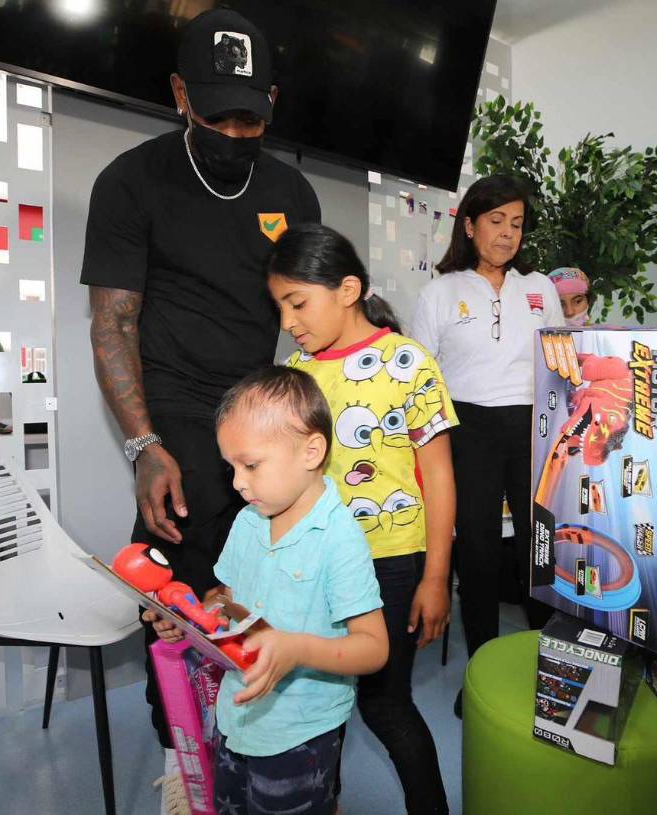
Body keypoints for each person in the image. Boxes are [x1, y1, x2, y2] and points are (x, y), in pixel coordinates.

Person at [79, 8, 321, 765]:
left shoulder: (293, 192)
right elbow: (112, 322)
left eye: (252, 119)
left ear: (272, 102)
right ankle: (181, 747)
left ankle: (253, 729)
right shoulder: (130, 181)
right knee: (177, 582)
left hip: (256, 413)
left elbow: (312, 312)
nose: (236, 135)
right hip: (177, 410)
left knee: (261, 583)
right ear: (181, 94)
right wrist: (145, 445)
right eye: (218, 116)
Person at [272, 224, 455, 815]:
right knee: (321, 701)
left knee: (384, 703)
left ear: (347, 289)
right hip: (319, 561)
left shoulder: (406, 362)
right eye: (280, 306)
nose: (288, 320)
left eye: (297, 302)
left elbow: (441, 479)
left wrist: (434, 577)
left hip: (393, 562)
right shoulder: (298, 372)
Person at [148, 366, 388, 815]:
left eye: (251, 465)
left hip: (300, 733)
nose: (238, 482)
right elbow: (226, 599)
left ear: (311, 451)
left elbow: (374, 648)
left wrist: (295, 649)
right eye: (232, 467)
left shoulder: (339, 538)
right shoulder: (248, 520)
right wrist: (191, 617)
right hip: (235, 718)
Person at [410, 175, 562, 719]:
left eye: (516, 223)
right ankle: (482, 672)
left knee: (539, 548)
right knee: (474, 553)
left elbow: (560, 366)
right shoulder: (440, 292)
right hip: (466, 429)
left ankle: (552, 669)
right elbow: (421, 378)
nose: (506, 234)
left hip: (532, 430)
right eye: (496, 221)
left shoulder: (540, 288)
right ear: (469, 225)